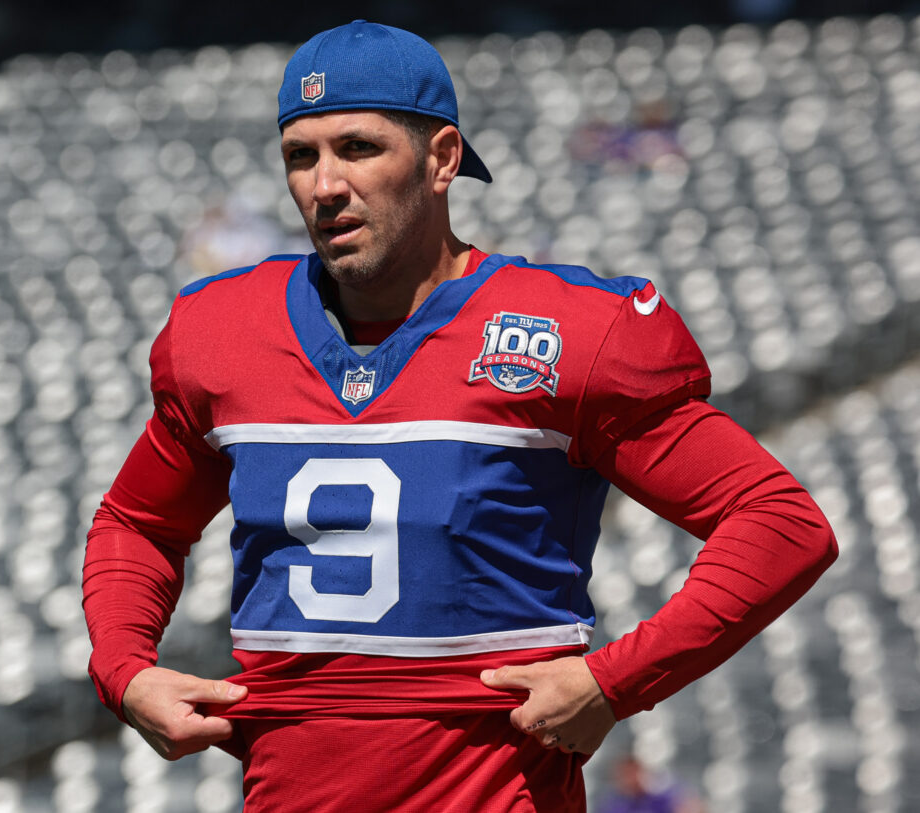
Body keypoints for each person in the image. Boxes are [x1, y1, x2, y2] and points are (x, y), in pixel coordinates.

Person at [82, 20, 837, 811]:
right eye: (300, 156)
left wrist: (612, 681)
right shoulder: (222, 331)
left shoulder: (568, 331)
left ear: (443, 159)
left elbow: (779, 521)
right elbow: (138, 522)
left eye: (358, 147)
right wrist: (125, 670)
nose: (324, 183)